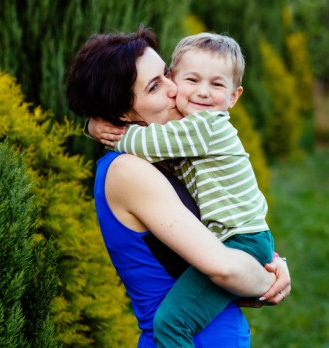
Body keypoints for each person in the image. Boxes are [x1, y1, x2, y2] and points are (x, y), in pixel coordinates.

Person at [66, 27, 291, 348]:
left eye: (168, 75)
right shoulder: (128, 170)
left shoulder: (173, 156)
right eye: (156, 85)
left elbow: (210, 251)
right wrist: (268, 280)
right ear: (121, 112)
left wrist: (270, 262)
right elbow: (223, 268)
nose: (176, 89)